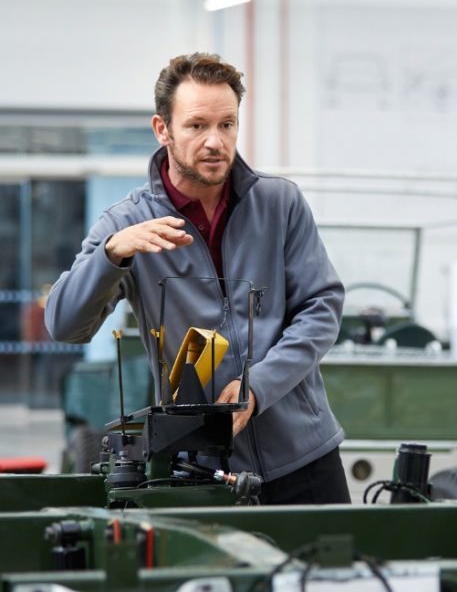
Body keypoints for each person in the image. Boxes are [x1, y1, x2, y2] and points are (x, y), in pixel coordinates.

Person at [44, 52, 351, 505]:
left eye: (227, 125)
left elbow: (321, 309)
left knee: (332, 579)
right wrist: (111, 256)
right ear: (162, 129)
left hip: (305, 458)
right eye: (197, 125)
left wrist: (257, 388)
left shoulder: (279, 204)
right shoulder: (125, 224)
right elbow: (64, 325)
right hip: (199, 470)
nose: (215, 141)